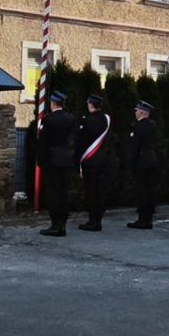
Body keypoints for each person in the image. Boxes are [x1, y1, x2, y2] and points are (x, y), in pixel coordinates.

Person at [37, 91, 79, 237]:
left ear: (53, 103)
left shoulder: (48, 120)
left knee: (53, 193)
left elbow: (43, 143)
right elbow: (76, 140)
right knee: (65, 193)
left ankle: (55, 224)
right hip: (68, 160)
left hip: (52, 161)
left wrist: (41, 161)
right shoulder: (72, 118)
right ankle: (63, 224)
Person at [74, 94, 114, 232]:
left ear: (90, 105)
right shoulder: (106, 119)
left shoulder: (87, 121)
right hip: (103, 159)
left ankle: (93, 221)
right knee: (100, 190)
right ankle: (98, 219)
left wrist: (77, 159)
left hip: (90, 160)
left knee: (91, 191)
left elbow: (81, 141)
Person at [126, 100, 161, 230]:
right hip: (152, 159)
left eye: (136, 110)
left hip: (141, 162)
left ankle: (142, 220)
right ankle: (149, 219)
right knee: (150, 190)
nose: (135, 112)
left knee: (141, 191)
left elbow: (134, 147)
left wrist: (131, 163)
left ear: (141, 112)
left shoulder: (138, 126)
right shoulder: (152, 124)